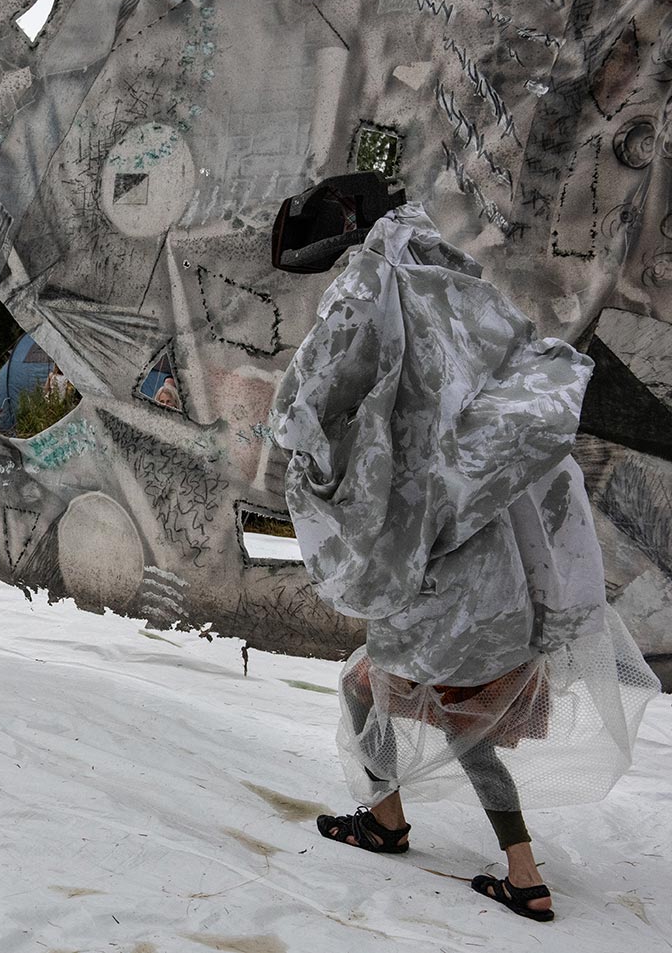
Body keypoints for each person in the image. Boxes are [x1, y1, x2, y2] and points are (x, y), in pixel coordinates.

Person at [268, 180, 658, 923]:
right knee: (440, 701)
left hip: (436, 558)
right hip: (493, 555)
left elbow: (309, 401)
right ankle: (466, 848)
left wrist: (314, 455)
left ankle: (459, 849)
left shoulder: (372, 288)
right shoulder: (456, 295)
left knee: (404, 699)